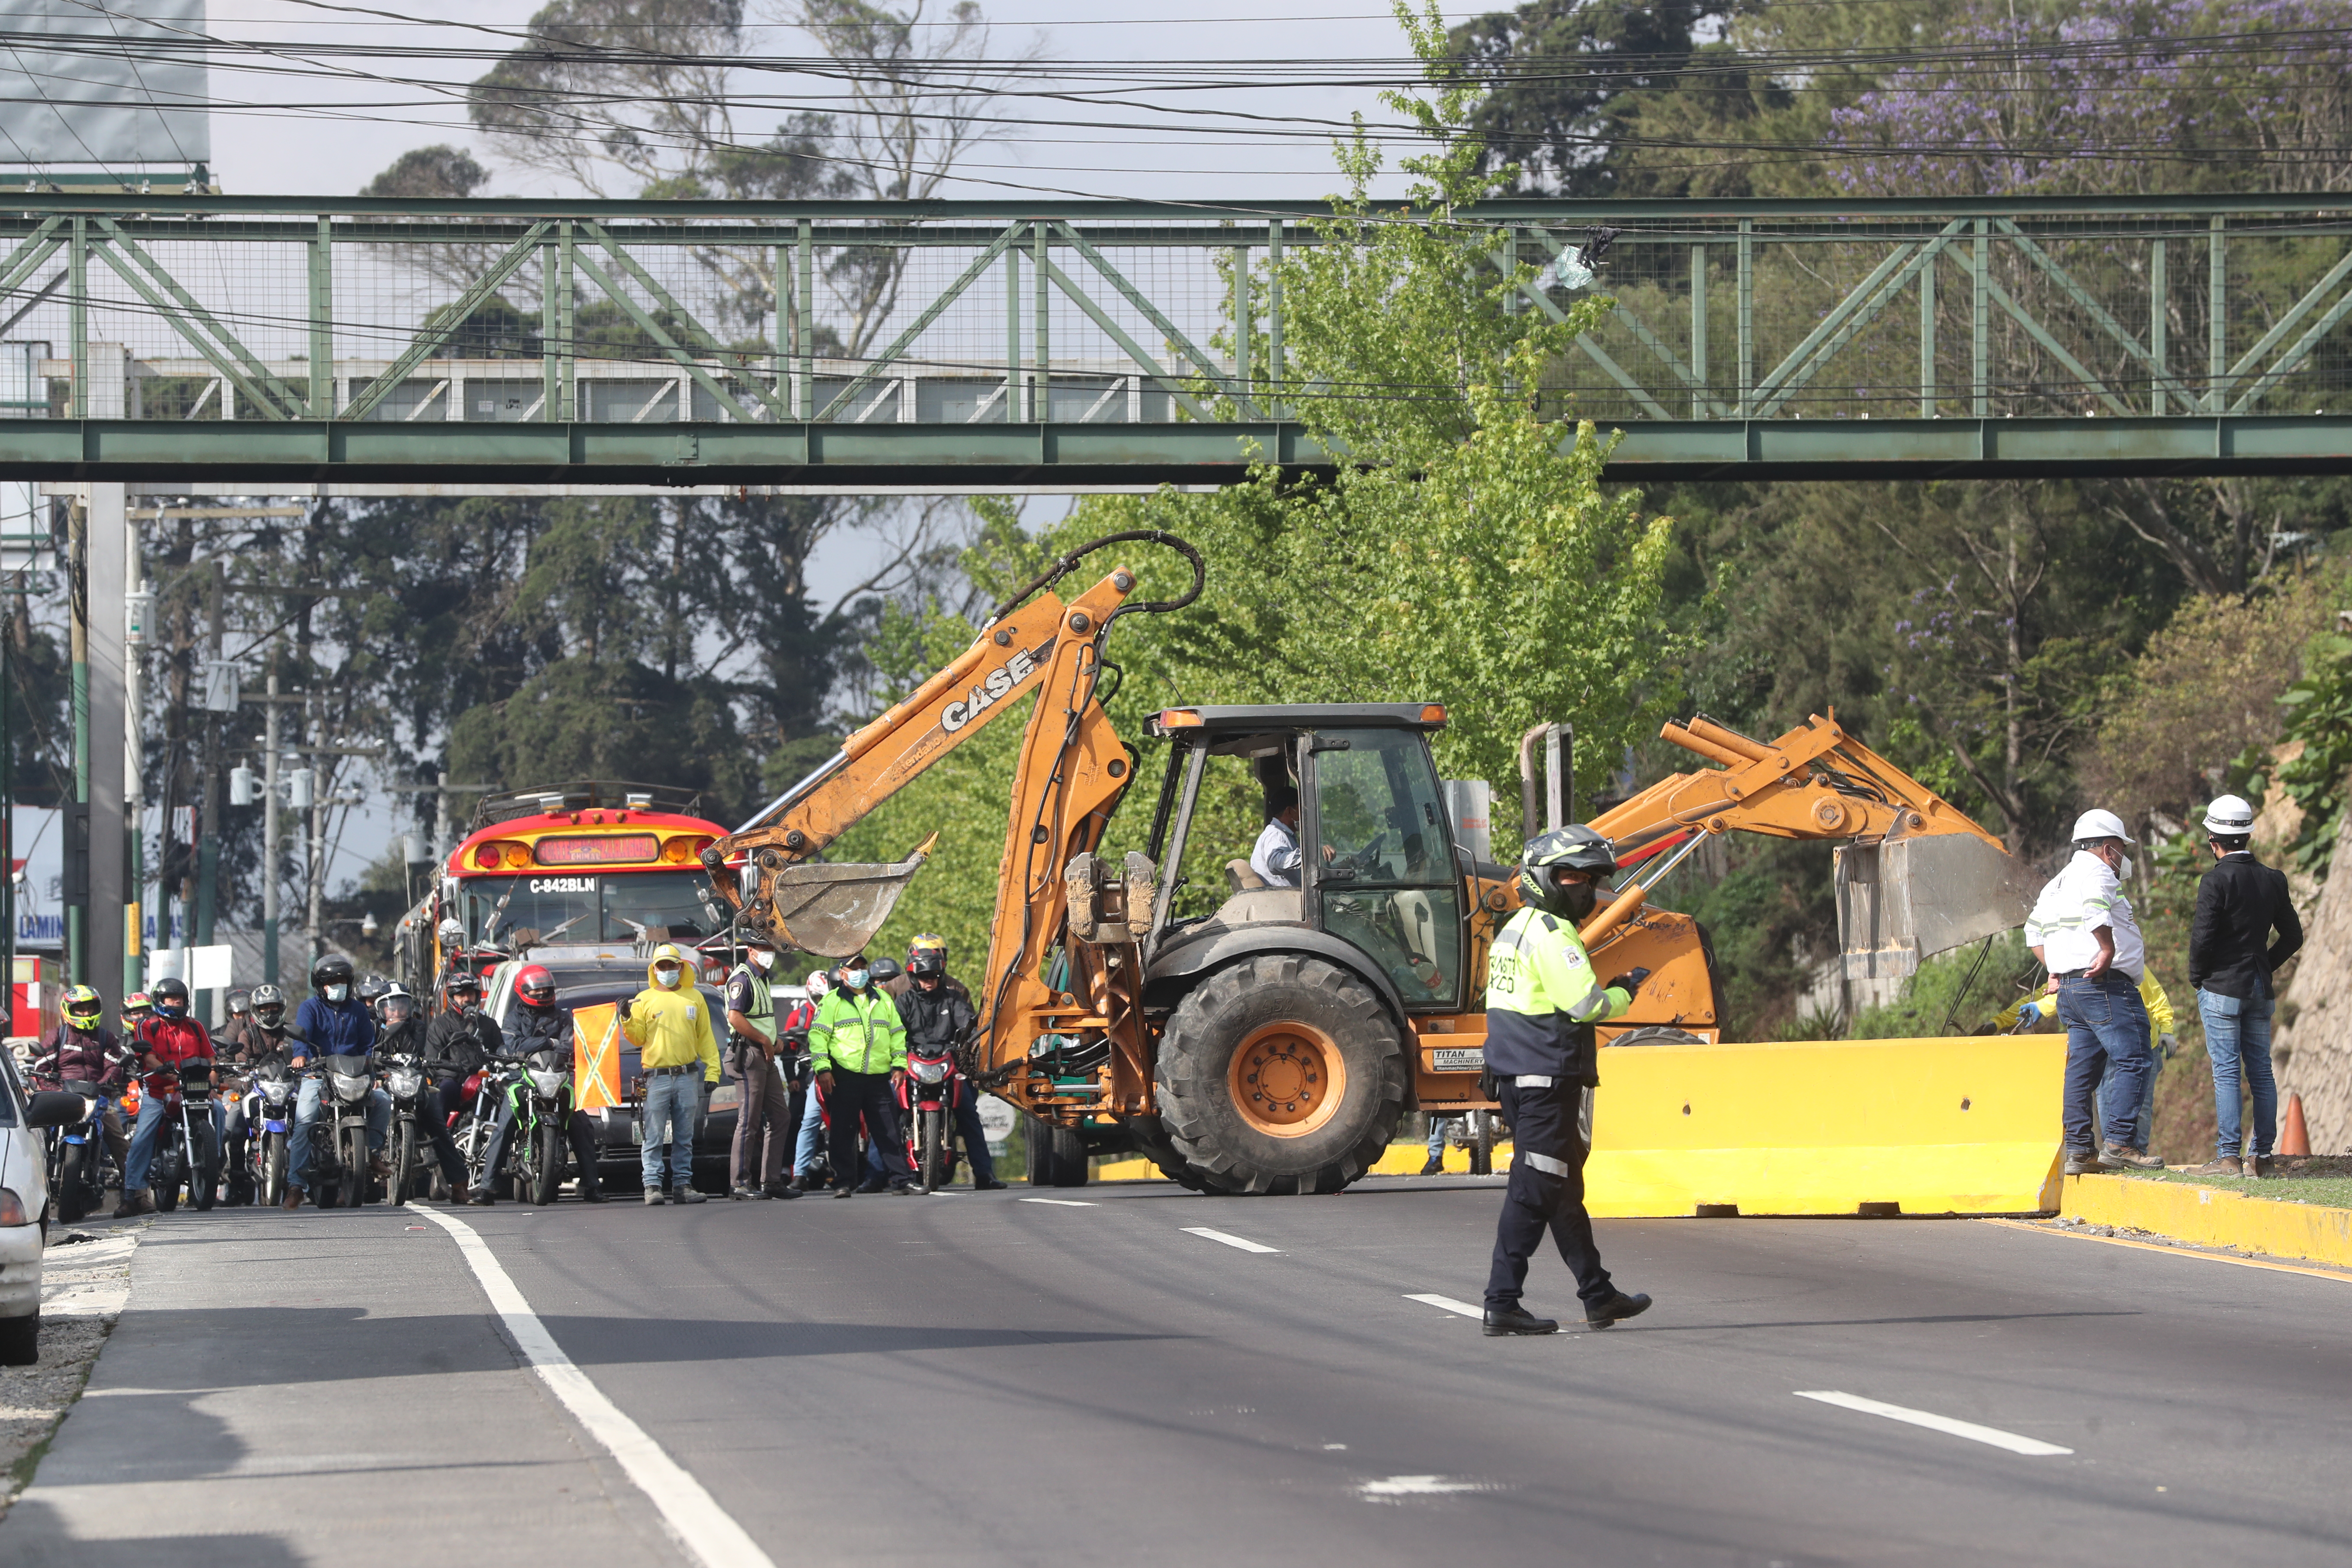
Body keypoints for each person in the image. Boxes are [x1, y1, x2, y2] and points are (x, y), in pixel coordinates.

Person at [1478, 826, 1654, 1336]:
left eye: (1592, 878)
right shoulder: (1556, 937)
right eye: (1574, 876)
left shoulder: (1514, 928)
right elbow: (1586, 1006)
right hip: (1546, 1082)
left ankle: (1598, 1295)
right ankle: (1501, 1301)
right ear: (1545, 879)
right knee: (1533, 1191)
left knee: (1561, 1189)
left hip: (1515, 1076)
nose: (1586, 889)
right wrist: (1623, 994)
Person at [2026, 809, 2164, 1176]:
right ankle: (2120, 1144)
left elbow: (2032, 932)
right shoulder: (2099, 873)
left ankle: (2080, 1151)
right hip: (2105, 985)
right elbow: (2095, 910)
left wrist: (2055, 967)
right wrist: (2106, 949)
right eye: (2121, 847)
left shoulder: (2056, 882)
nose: (2123, 856)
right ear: (2108, 848)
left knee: (2081, 1072)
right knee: (2136, 1058)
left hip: (2071, 990)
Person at [2187, 793, 2305, 1178]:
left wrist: (2197, 977)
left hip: (2221, 987)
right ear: (2249, 836)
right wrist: (2264, 967)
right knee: (2262, 1072)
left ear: (2213, 839)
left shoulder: (2215, 881)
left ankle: (2228, 1159)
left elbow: (2203, 939)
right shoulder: (2273, 879)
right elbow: (2293, 936)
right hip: (2259, 988)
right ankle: (2263, 1158)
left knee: (2226, 1073)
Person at [1991, 969, 2177, 1155]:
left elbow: (2155, 996)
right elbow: (2047, 995)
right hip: (2108, 1051)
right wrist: (1998, 1022)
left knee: (2139, 1111)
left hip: (2139, 1044)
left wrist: (2167, 1029)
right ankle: (2106, 1151)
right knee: (2109, 1113)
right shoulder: (2074, 966)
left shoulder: (2122, 963)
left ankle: (2128, 1153)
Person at [474, 963, 605, 1205]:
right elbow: (514, 1047)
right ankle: (487, 1188)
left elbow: (570, 1046)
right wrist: (550, 1042)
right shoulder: (512, 1018)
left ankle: (592, 1186)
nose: (542, 995)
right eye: (536, 991)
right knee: (504, 1125)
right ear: (523, 991)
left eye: (546, 990)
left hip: (558, 1077)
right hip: (520, 1079)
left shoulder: (563, 1017)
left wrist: (538, 1043)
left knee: (581, 1123)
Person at [285, 953, 388, 1211]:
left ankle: (371, 1152)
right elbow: (302, 1037)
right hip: (318, 1074)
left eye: (343, 981)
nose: (338, 986)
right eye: (333, 982)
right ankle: (296, 1185)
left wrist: (371, 1070)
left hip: (354, 1075)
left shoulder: (358, 1011)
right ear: (321, 986)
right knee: (305, 1118)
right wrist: (300, 1057)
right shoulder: (310, 1008)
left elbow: (367, 1044)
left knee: (384, 1102)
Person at [619, 942, 721, 1205]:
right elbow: (637, 1037)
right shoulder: (644, 999)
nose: (667, 970)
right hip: (657, 1078)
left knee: (684, 1136)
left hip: (688, 1076)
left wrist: (713, 1071)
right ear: (655, 970)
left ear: (681, 967)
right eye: (662, 966)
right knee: (653, 1135)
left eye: (671, 966)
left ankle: (682, 1186)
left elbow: (705, 1038)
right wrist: (626, 1018)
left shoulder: (695, 997)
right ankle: (652, 1186)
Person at [807, 953, 915, 1196]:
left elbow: (897, 1033)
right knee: (843, 1132)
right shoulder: (831, 1002)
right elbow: (818, 1037)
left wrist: (900, 1065)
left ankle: (902, 1180)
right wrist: (823, 1069)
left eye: (862, 967)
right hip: (844, 1075)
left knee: (889, 1131)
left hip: (878, 1076)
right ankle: (843, 1182)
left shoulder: (883, 999)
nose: (859, 972)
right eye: (853, 968)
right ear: (842, 973)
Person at [898, 943, 1003, 1190]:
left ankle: (985, 1174)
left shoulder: (953, 999)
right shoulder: (903, 1003)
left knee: (968, 1112)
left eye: (934, 976)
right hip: (913, 1066)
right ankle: (882, 1175)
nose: (929, 981)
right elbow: (892, 1029)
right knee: (890, 1112)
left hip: (949, 1066)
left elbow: (969, 1026)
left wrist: (973, 1038)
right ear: (913, 977)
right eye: (923, 977)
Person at [119, 977, 223, 1217]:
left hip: (195, 1089)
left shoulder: (195, 1027)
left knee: (218, 1110)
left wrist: (212, 1082)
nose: (176, 1003)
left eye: (180, 999)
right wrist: (167, 1073)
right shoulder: (148, 1026)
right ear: (159, 1000)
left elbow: (211, 1059)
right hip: (159, 1092)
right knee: (143, 1136)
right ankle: (132, 1195)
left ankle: (213, 1163)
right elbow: (149, 1058)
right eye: (171, 999)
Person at [375, 982, 472, 1205]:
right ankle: (352, 1179)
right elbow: (370, 1053)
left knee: (438, 1126)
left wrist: (397, 1028)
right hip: (383, 1084)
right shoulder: (372, 1027)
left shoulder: (418, 1027)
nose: (397, 1011)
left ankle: (459, 1185)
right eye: (391, 1007)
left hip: (413, 1082)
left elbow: (415, 1051)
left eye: (402, 1005)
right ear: (382, 1009)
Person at [724, 934, 800, 1200]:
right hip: (750, 1054)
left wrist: (774, 1040)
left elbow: (762, 1018)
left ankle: (771, 1181)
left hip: (765, 1053)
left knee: (781, 1117)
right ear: (750, 950)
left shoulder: (762, 977)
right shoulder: (743, 978)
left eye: (771, 948)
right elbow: (735, 1017)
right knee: (750, 1120)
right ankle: (740, 1183)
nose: (768, 952)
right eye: (763, 948)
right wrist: (764, 1040)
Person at [31, 984, 130, 1188]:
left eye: (90, 1009)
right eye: (81, 1009)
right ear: (68, 1010)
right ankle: (31, 1187)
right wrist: (54, 1090)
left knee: (120, 1141)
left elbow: (114, 1067)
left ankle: (136, 1196)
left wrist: (103, 1086)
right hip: (62, 1097)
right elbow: (42, 1066)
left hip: (98, 1097)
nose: (86, 1013)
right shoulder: (57, 1035)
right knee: (33, 1135)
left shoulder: (106, 1038)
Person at [220, 983, 297, 1205]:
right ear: (255, 1010)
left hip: (287, 1089)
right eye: (264, 1009)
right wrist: (243, 1081)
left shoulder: (290, 1032)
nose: (269, 1013)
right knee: (236, 1131)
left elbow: (301, 1055)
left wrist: (303, 1064)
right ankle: (236, 1184)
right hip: (254, 1090)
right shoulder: (247, 1033)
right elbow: (239, 1060)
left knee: (309, 1122)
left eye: (274, 1008)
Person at [787, 968, 830, 1191]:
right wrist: (792, 1079)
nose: (821, 1002)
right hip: (808, 1074)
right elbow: (788, 1049)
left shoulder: (837, 1010)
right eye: (818, 998)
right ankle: (796, 1170)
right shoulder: (799, 1016)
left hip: (838, 1071)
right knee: (799, 1119)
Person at [1250, 784, 1306, 888]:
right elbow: (1275, 862)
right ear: (1289, 811)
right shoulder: (1276, 834)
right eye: (1301, 809)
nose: (1305, 815)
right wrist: (1310, 856)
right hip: (1282, 900)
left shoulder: (1285, 835)